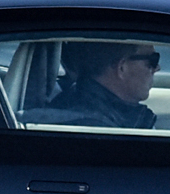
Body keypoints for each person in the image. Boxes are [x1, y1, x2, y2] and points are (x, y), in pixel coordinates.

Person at [21, 40, 161, 129]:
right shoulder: (93, 126)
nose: (157, 68)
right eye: (152, 61)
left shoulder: (79, 105)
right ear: (122, 67)